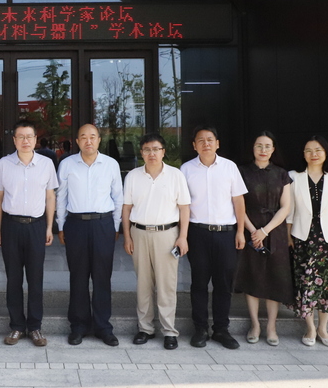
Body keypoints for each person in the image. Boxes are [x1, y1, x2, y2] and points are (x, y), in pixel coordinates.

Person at [180, 126, 247, 350]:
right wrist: (183, 235)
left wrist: (240, 231)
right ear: (194, 145)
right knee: (199, 283)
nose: (206, 143)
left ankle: (221, 329)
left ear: (217, 143)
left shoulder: (229, 167)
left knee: (223, 284)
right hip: (197, 233)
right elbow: (183, 205)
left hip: (226, 234)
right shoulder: (186, 169)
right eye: (201, 140)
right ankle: (200, 329)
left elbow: (238, 201)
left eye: (210, 139)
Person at [56, 124, 123, 347]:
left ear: (99, 140)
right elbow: (61, 197)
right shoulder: (67, 164)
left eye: (92, 137)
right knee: (78, 277)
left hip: (103, 224)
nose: (88, 141)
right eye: (83, 137)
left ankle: (103, 327)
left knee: (102, 277)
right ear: (77, 141)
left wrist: (115, 227)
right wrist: (61, 225)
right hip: (76, 224)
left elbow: (118, 197)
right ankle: (79, 326)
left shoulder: (111, 164)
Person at [122, 132, 190, 350]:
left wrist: (182, 236)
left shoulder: (175, 175)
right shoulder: (133, 176)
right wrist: (127, 236)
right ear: (141, 152)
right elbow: (126, 208)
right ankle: (145, 329)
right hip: (139, 233)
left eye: (156, 149)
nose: (152, 153)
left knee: (166, 284)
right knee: (143, 283)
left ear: (163, 152)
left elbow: (184, 208)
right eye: (147, 150)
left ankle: (169, 331)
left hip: (167, 234)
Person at [0, 120, 58, 347]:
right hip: (11, 225)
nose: (25, 141)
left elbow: (50, 197)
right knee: (13, 279)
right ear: (14, 140)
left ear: (35, 139)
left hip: (36, 226)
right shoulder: (4, 163)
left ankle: (35, 327)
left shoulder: (46, 164)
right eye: (20, 137)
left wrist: (49, 227)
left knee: (35, 278)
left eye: (29, 136)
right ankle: (16, 327)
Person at [287, 136, 328, 348]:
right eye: (308, 150)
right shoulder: (293, 176)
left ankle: (323, 328)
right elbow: (289, 210)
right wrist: (288, 235)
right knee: (304, 282)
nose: (313, 154)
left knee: (327, 284)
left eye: (318, 150)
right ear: (303, 154)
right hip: (302, 237)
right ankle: (310, 328)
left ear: (326, 152)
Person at [233, 131, 293, 346]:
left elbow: (285, 207)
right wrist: (252, 231)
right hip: (249, 227)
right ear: (253, 148)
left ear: (273, 149)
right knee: (252, 275)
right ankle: (255, 324)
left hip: (275, 231)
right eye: (259, 145)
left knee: (274, 277)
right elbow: (238, 204)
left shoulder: (282, 174)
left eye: (267, 146)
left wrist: (265, 231)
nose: (263, 150)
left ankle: (271, 327)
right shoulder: (242, 172)